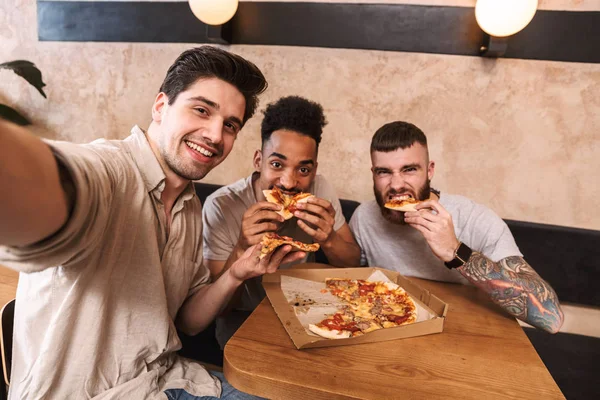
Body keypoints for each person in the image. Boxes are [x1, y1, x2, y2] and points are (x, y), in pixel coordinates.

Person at [0, 46, 300, 399]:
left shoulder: (190, 208)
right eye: (201, 110)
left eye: (230, 125)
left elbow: (188, 321)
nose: (216, 136)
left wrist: (237, 271)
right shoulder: (112, 173)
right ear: (161, 106)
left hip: (171, 381)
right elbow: (53, 182)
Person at [349, 121, 564, 333]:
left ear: (430, 170)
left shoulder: (475, 219)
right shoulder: (364, 218)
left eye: (409, 169)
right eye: (384, 172)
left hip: (466, 335)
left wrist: (456, 252)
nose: (396, 185)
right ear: (373, 173)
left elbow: (551, 318)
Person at [202, 96, 361, 346]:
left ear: (315, 170)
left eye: (303, 170)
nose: (288, 182)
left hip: (305, 313)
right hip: (242, 322)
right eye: (277, 164)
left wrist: (328, 239)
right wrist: (242, 247)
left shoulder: (321, 190)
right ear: (258, 160)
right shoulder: (222, 205)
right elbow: (217, 310)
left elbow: (353, 263)